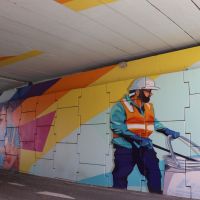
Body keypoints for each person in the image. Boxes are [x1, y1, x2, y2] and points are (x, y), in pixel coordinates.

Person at [110, 77, 180, 194]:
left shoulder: (148, 107)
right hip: (125, 148)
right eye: (148, 91)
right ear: (138, 91)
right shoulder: (121, 106)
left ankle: (156, 196)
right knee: (120, 175)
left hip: (145, 147)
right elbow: (117, 126)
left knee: (154, 173)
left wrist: (166, 130)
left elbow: (153, 122)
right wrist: (137, 138)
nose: (151, 93)